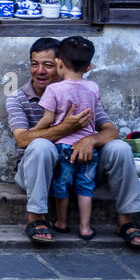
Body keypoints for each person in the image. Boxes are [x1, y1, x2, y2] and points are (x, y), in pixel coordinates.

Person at [5, 37, 140, 248]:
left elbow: (111, 131)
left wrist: (90, 140)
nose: (40, 71)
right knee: (40, 145)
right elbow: (22, 139)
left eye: (48, 65)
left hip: (83, 169)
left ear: (61, 64)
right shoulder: (17, 99)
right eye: (34, 64)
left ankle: (126, 220)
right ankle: (36, 218)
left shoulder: (83, 92)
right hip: (39, 173)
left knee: (119, 147)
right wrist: (66, 128)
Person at [30, 36, 102, 240]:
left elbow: (48, 119)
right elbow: (95, 115)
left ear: (59, 63)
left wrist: (33, 132)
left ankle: (61, 222)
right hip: (88, 149)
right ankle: (85, 228)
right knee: (85, 187)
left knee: (62, 185)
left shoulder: (54, 89)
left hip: (64, 148)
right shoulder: (94, 87)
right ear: (88, 67)